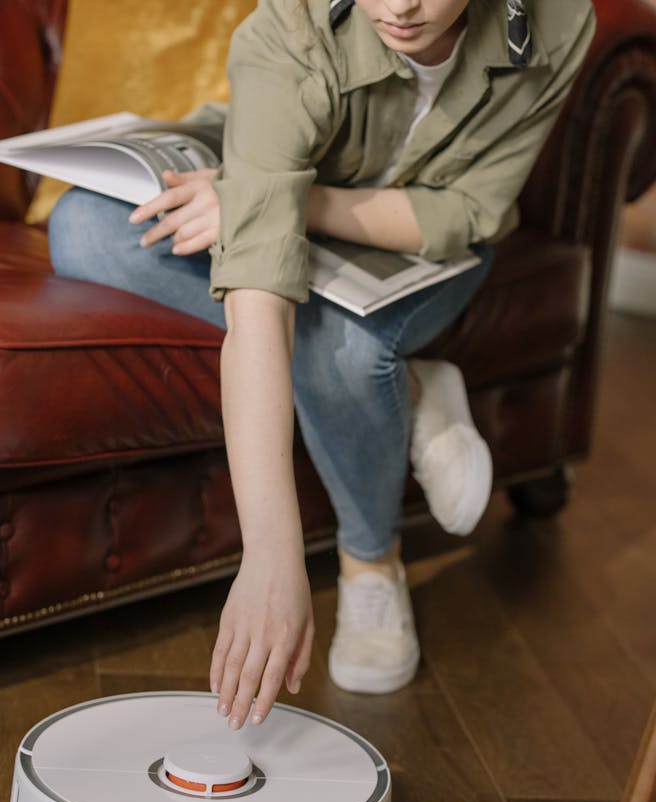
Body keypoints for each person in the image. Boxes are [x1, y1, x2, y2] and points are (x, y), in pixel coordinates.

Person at [48, 0, 595, 729]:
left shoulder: (558, 20)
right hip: (273, 180)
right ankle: (408, 386)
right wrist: (269, 555)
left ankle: (372, 560)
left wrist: (279, 205)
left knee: (348, 349)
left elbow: (465, 211)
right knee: (83, 227)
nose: (399, 6)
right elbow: (257, 306)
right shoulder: (291, 28)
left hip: (409, 237)